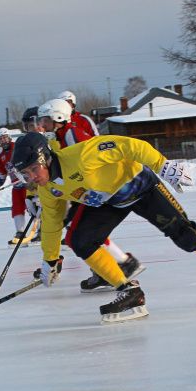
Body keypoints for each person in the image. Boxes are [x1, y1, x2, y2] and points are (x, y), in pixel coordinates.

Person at [11, 131, 196, 323]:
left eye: (34, 169)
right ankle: (129, 291)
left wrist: (162, 165)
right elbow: (52, 223)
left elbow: (130, 146)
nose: (31, 177)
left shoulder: (83, 155)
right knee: (79, 240)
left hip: (141, 187)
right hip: (110, 201)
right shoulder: (47, 189)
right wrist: (50, 259)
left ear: (47, 158)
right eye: (26, 173)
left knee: (185, 236)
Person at [38, 98, 143, 292]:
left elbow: (84, 162)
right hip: (85, 191)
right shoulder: (60, 136)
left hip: (92, 190)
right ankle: (117, 264)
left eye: (45, 121)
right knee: (78, 230)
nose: (42, 125)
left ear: (58, 117)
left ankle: (120, 265)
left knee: (80, 233)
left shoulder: (71, 134)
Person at [0, 127, 39, 245]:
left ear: (9, 137)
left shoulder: (18, 147)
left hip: (29, 183)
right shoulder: (2, 156)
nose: (3, 141)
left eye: (4, 138)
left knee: (34, 206)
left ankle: (41, 231)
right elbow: (2, 174)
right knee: (17, 208)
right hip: (17, 186)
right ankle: (20, 233)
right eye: (0, 139)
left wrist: (28, 175)